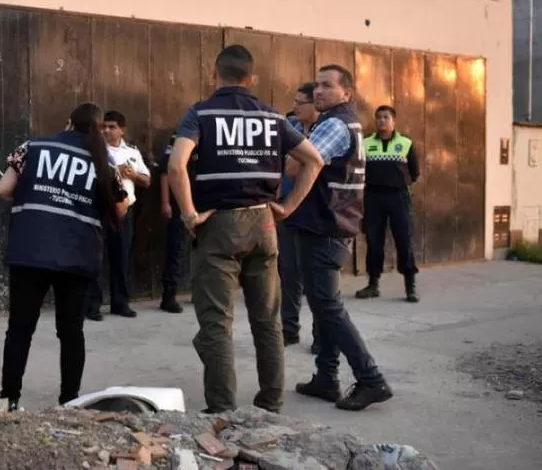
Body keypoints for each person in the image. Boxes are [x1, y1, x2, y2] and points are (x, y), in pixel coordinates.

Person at [167, 45, 324, 414]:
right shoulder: (272, 117)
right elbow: (314, 160)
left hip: (218, 225)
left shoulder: (200, 113)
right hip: (264, 223)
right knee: (267, 320)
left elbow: (176, 166)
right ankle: (271, 401)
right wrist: (287, 207)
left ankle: (222, 409)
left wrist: (189, 214)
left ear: (214, 73)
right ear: (251, 79)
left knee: (216, 323)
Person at [0, 102, 130, 411]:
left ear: (68, 123)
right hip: (77, 256)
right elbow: (121, 208)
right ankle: (69, 400)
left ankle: (9, 399)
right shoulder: (103, 163)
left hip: (30, 251)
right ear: (98, 128)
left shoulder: (33, 146)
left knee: (19, 329)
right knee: (71, 332)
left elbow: (4, 189)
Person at [284, 65, 394, 411]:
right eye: (316, 85)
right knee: (321, 305)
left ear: (346, 93)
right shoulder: (343, 122)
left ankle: (371, 379)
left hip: (324, 226)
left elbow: (295, 167)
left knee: (328, 307)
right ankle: (326, 379)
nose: (318, 91)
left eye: (327, 86)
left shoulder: (333, 125)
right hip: (330, 224)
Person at [86, 111, 150, 320]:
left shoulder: (131, 152)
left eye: (112, 127)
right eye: (104, 126)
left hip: (123, 213)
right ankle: (92, 305)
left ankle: (120, 303)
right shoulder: (95, 150)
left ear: (122, 129)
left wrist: (131, 174)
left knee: (121, 258)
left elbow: (146, 180)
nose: (106, 130)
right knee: (95, 259)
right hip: (100, 210)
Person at [356, 105, 421, 303]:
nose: (382, 121)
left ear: (394, 121)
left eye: (386, 117)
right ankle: (373, 284)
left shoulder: (406, 142)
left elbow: (414, 172)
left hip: (398, 197)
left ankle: (410, 286)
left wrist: (399, 183)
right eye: (379, 118)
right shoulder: (366, 143)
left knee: (404, 240)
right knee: (374, 241)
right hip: (373, 197)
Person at [279, 83, 321, 354]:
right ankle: (289, 328)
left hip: (314, 214)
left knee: (316, 280)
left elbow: (295, 168)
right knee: (289, 274)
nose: (295, 106)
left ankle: (321, 334)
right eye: (293, 101)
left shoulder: (325, 132)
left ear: (315, 105)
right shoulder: (289, 126)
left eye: (300, 102)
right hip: (286, 209)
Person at [156, 132, 197, 313]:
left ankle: (200, 292)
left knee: (206, 249)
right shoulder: (181, 135)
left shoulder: (214, 130)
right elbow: (166, 172)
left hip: (205, 202)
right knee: (176, 250)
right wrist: (166, 202)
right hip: (181, 202)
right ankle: (169, 296)